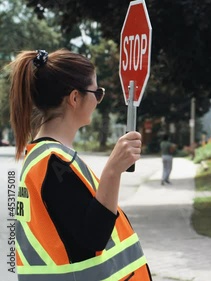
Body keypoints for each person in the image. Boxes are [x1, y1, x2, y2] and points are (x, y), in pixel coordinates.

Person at [9, 49, 151, 280]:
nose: (98, 100)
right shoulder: (53, 163)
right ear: (75, 98)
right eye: (97, 92)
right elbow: (93, 237)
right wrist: (113, 170)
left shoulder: (47, 158)